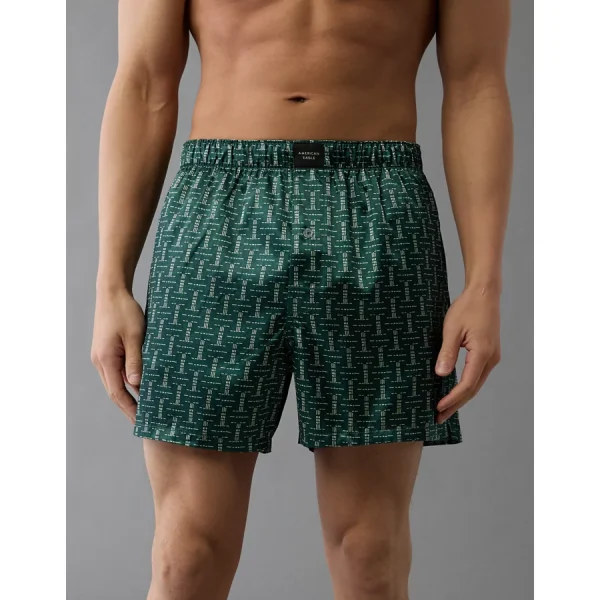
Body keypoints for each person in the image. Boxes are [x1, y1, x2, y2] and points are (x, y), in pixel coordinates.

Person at [91, 0, 512, 598]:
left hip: (378, 207)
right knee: (187, 553)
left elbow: (476, 87)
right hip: (219, 208)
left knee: (370, 553)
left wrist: (485, 283)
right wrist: (111, 283)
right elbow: (143, 83)